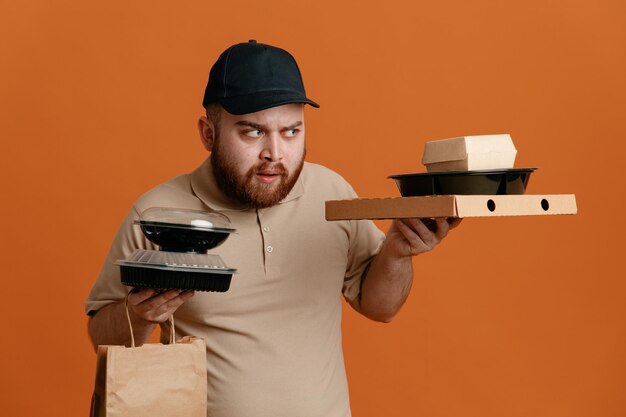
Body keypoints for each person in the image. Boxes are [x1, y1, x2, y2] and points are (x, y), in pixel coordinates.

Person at [86, 40, 461, 417]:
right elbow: (101, 333)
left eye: (291, 131)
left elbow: (381, 307)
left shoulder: (331, 193)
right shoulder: (157, 216)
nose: (275, 154)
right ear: (208, 133)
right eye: (253, 132)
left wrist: (397, 250)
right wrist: (139, 314)